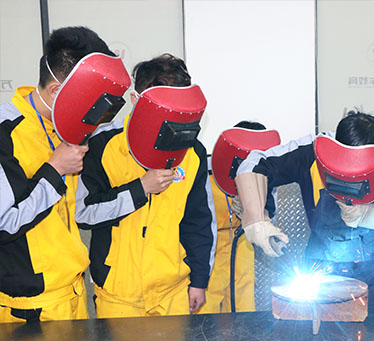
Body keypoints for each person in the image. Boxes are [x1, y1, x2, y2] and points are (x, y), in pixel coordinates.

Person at [75, 54, 216, 318]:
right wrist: (140, 188)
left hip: (173, 292)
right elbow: (84, 213)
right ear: (135, 99)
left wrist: (199, 280)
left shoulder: (193, 152)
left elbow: (198, 222)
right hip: (118, 296)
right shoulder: (101, 144)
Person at [235, 111, 374, 304]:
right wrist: (257, 219)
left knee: (369, 320)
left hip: (371, 268)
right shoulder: (312, 151)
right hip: (318, 265)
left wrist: (367, 215)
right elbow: (254, 164)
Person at [0, 26, 114, 323]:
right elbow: (3, 225)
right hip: (30, 308)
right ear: (56, 91)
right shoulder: (5, 134)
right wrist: (55, 170)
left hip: (73, 291)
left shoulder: (64, 128)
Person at [200, 121, 269, 313]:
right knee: (206, 312)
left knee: (243, 308)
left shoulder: (265, 170)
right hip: (210, 247)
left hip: (243, 244)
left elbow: (269, 215)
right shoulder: (204, 170)